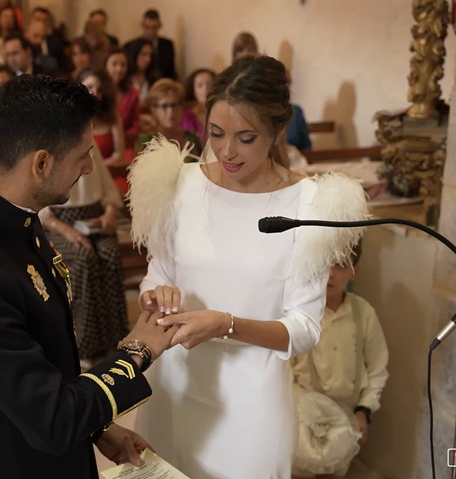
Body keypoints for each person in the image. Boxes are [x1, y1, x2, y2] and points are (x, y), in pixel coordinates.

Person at [0, 74, 175, 478]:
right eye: (81, 155)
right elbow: (49, 417)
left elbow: (43, 365)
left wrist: (98, 428)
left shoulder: (17, 219)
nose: (89, 166)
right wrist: (137, 352)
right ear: (41, 163)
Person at [127, 55, 370, 479]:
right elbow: (159, 274)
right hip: (176, 388)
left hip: (251, 405)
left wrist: (225, 324)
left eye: (246, 138)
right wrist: (155, 294)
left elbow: (305, 327)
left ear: (279, 130)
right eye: (216, 133)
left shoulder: (309, 204)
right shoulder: (180, 185)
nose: (226, 151)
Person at [291, 241, 389, 478]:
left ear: (354, 270)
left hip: (344, 421)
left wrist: (364, 411)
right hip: (301, 419)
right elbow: (284, 369)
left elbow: (377, 369)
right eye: (324, 265)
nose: (331, 274)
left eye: (341, 266)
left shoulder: (363, 314)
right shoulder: (298, 315)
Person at [39, 138, 128, 368]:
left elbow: (107, 186)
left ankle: (113, 340)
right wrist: (64, 229)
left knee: (109, 255)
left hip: (95, 218)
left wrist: (109, 212)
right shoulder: (47, 139)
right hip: (59, 223)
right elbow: (39, 204)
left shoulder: (87, 140)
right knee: (84, 258)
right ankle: (83, 346)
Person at [136, 78, 202, 156]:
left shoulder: (192, 137)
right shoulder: (146, 141)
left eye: (175, 105)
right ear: (154, 110)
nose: (170, 111)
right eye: (164, 106)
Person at [79, 68, 125, 167]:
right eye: (89, 87)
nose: (94, 92)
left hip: (110, 171)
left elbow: (119, 155)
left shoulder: (112, 116)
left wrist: (98, 170)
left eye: (99, 90)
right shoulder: (71, 119)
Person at [124, 9, 176, 80]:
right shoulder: (129, 46)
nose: (150, 31)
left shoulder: (167, 45)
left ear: (160, 26)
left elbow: (171, 71)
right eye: (147, 27)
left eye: (154, 28)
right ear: (142, 25)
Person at [105, 47, 139, 134]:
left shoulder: (133, 94)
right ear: (105, 66)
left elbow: (135, 125)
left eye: (123, 65)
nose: (119, 69)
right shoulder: (96, 90)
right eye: (114, 64)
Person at [181, 68, 215, 142]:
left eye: (209, 84)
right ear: (193, 90)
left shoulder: (222, 114)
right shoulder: (186, 117)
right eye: (200, 85)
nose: (205, 89)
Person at [126, 38, 158, 105]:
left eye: (150, 55)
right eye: (143, 54)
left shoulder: (154, 79)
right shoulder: (125, 78)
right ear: (135, 55)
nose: (148, 59)